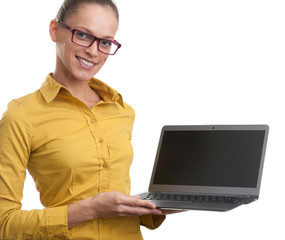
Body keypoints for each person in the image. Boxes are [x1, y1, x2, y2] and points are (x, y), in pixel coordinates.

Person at [0, 0, 167, 239]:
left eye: (105, 42)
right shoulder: (21, 115)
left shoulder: (121, 111)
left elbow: (116, 206)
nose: (93, 51)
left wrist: (166, 203)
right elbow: (4, 224)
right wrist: (91, 208)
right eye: (83, 35)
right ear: (55, 30)